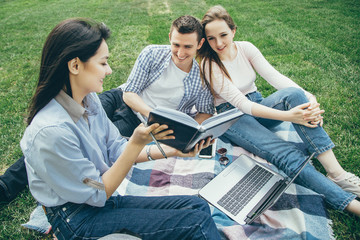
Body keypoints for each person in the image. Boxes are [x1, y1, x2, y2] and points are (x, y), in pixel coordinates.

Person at [19, 18, 221, 240]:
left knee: (196, 207)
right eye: (103, 63)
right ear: (75, 65)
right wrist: (136, 142)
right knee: (197, 223)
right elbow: (99, 191)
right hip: (77, 220)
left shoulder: (90, 101)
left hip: (101, 202)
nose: (110, 70)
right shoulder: (51, 131)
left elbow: (117, 149)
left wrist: (175, 150)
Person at [196, 5, 360, 216]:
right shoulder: (209, 65)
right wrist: (289, 116)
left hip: (257, 103)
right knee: (286, 154)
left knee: (295, 95)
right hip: (233, 116)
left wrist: (309, 98)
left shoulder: (245, 48)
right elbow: (243, 105)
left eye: (223, 35)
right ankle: (350, 204)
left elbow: (274, 77)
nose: (218, 43)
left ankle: (337, 174)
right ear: (206, 40)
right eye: (211, 38)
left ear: (233, 30)